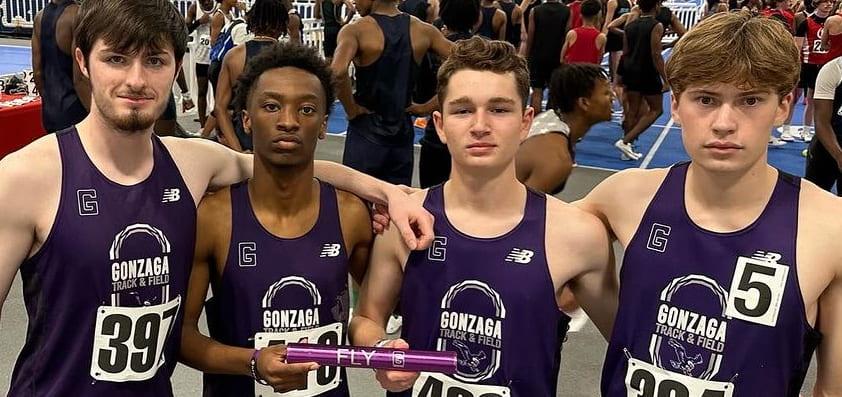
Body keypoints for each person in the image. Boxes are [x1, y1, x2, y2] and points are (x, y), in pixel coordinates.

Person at [0, 1, 434, 395]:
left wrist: (386, 193)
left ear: (175, 67)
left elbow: (289, 164)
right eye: (116, 59)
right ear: (83, 61)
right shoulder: (25, 177)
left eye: (154, 61)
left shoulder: (192, 163)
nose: (135, 79)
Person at [575, 12, 842, 396]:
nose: (724, 123)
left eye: (750, 100)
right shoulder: (622, 197)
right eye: (705, 99)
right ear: (677, 106)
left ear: (784, 106)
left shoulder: (831, 229)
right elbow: (524, 245)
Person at [351, 37, 618, 397]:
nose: (480, 125)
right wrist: (381, 352)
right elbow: (367, 319)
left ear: (525, 122)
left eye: (499, 109)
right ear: (440, 126)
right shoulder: (406, 220)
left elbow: (631, 344)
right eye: (462, 110)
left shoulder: (576, 234)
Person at [181, 42, 372, 397]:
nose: (288, 121)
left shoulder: (351, 214)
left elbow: (375, 316)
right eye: (271, 106)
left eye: (306, 109)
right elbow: (182, 337)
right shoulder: (213, 217)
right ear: (247, 119)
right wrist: (252, 361)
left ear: (323, 125)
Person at [331, 0, 452, 185]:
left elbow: (337, 72)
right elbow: (467, 61)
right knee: (397, 205)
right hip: (402, 136)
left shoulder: (355, 30)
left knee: (355, 204)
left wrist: (352, 109)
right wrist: (428, 106)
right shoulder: (424, 30)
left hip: (365, 134)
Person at [516, 63, 612, 194]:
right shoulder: (557, 159)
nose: (613, 97)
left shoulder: (550, 118)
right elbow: (520, 211)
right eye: (606, 93)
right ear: (584, 103)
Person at [418, 0, 480, 188]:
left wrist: (422, 108)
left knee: (431, 197)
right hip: (472, 135)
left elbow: (422, 90)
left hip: (438, 134)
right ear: (476, 17)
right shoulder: (483, 50)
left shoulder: (431, 49)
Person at [216, 0, 288, 152]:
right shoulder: (290, 57)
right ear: (282, 24)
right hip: (278, 139)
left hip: (243, 137)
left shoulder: (234, 56)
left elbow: (220, 108)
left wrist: (237, 150)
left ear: (252, 20)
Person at [612, 0, 666, 161]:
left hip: (630, 70)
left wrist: (620, 74)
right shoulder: (656, 25)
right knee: (656, 110)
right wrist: (666, 78)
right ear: (656, 6)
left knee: (632, 111)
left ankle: (626, 149)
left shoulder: (630, 26)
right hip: (647, 72)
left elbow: (626, 52)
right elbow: (656, 54)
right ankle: (625, 141)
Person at [31, 0, 89, 133]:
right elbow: (79, 78)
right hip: (76, 109)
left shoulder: (39, 17)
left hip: (50, 111)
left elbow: (38, 72)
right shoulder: (77, 15)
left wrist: (49, 101)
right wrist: (94, 113)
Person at [790, 0, 834, 142]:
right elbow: (797, 46)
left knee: (813, 100)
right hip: (807, 64)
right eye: (825, 2)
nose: (829, 5)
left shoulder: (834, 23)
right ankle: (785, 127)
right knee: (794, 97)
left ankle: (807, 129)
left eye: (831, 2)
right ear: (817, 4)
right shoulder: (806, 22)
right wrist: (795, 65)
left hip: (825, 66)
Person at [526, 0, 571, 112]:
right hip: (557, 55)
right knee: (554, 90)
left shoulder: (535, 11)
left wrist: (527, 55)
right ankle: (551, 120)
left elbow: (530, 36)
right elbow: (567, 34)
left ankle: (535, 123)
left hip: (538, 55)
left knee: (537, 90)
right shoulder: (567, 11)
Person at [806, 55, 842, 195]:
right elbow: (821, 121)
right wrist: (839, 156)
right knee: (813, 200)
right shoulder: (833, 70)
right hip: (827, 146)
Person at [186, 0, 218, 128]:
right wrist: (199, 22)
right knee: (202, 92)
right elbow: (185, 30)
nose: (206, 3)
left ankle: (219, 124)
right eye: (202, 1)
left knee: (219, 93)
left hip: (216, 57)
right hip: (201, 58)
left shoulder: (219, 7)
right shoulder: (194, 8)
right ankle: (203, 126)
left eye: (208, 1)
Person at [561, 0, 606, 65]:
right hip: (590, 72)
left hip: (572, 72)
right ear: (597, 16)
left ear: (581, 15)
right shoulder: (601, 37)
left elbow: (562, 59)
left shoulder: (572, 34)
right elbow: (599, 60)